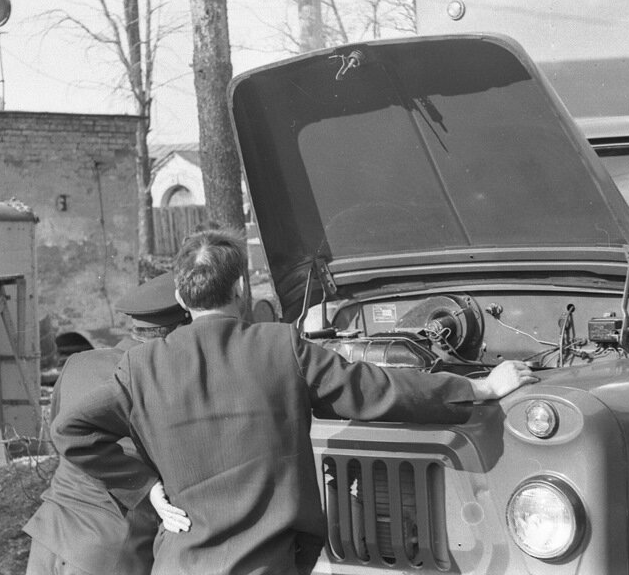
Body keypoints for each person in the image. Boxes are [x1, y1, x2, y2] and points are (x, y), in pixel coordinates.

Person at [52, 228, 537, 575]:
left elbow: (70, 432)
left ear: (181, 294)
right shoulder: (280, 346)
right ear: (242, 289)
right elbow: (379, 389)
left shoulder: (141, 367)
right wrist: (479, 387)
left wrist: (144, 487)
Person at [23, 271, 191, 575]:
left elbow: (55, 441)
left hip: (49, 538)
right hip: (108, 553)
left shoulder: (78, 363)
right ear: (181, 329)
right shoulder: (167, 383)